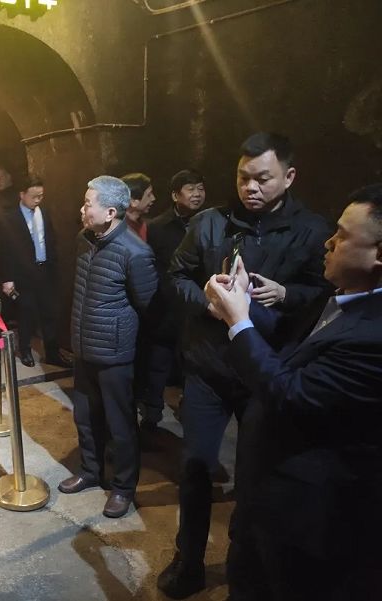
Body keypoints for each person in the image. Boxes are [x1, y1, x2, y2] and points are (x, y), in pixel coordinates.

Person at [158, 133, 333, 599]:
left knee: (255, 477)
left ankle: (245, 565)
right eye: (243, 177)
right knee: (196, 468)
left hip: (265, 370)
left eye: (263, 178)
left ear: (289, 177)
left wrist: (287, 294)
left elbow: (326, 291)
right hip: (208, 367)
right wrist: (207, 301)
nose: (250, 187)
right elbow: (176, 274)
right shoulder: (210, 223)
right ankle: (189, 560)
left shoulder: (312, 230)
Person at [203, 184, 382, 600]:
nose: (328, 243)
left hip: (306, 516)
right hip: (266, 493)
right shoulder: (345, 297)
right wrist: (243, 303)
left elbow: (291, 394)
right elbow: (290, 349)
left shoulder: (374, 336)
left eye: (342, 236)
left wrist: (238, 323)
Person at [59, 176, 158, 518]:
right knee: (85, 417)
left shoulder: (136, 252)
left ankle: (123, 488)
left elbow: (149, 306)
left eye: (88, 204)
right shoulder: (83, 240)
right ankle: (90, 471)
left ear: (111, 212)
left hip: (115, 354)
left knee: (120, 425)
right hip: (84, 348)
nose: (82, 209)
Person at [137, 169, 206, 428]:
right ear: (176, 195)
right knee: (159, 365)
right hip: (165, 310)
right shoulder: (157, 227)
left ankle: (190, 411)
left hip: (198, 309)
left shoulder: (210, 223)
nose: (197, 194)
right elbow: (150, 268)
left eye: (200, 188)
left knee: (194, 366)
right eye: (191, 189)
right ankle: (152, 413)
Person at [0, 175, 71, 369]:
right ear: (22, 194)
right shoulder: (11, 218)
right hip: (24, 273)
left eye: (41, 196)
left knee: (50, 313)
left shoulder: (44, 213)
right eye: (34, 196)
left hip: (45, 270)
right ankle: (25, 350)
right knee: (26, 313)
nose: (38, 200)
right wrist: (7, 279)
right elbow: (5, 250)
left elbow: (50, 240)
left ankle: (53, 353)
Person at [121, 173, 156, 241]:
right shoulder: (118, 230)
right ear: (133, 201)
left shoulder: (144, 225)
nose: (153, 198)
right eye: (149, 195)